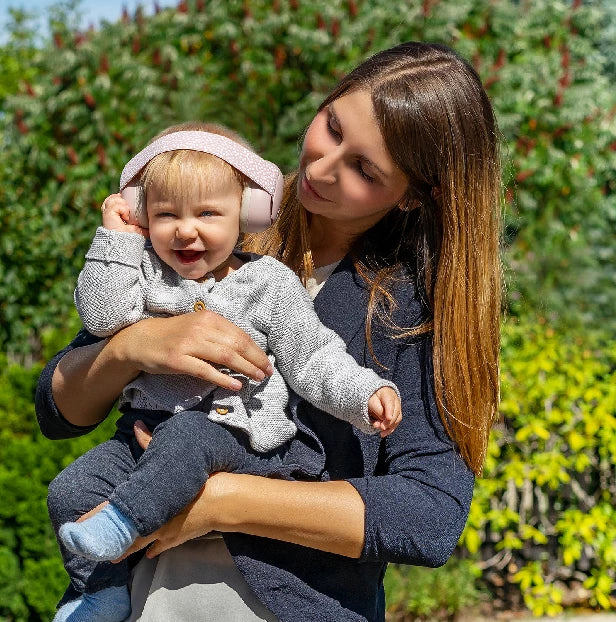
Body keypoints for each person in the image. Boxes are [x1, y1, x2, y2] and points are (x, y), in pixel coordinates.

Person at [36, 41, 502, 622]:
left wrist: (220, 502)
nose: (321, 167)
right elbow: (59, 408)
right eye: (332, 126)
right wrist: (134, 347)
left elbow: (430, 515)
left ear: (412, 196)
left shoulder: (409, 307)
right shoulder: (211, 216)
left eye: (363, 169)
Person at [53, 121, 402, 622]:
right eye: (165, 214)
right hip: (143, 439)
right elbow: (104, 317)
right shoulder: (143, 271)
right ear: (142, 215)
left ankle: (122, 522)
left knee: (192, 434)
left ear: (248, 213)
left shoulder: (267, 283)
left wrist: (364, 394)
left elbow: (313, 357)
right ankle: (101, 591)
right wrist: (116, 240)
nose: (185, 229)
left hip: (236, 435)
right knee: (70, 489)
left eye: (208, 213)